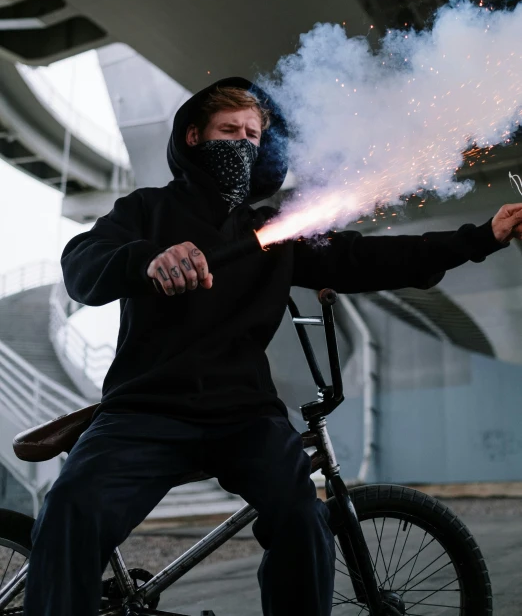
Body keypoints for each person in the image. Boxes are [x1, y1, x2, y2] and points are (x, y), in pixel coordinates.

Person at [23, 76, 522, 616]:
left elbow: (363, 258)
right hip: (145, 408)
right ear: (194, 137)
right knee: (70, 509)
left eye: (253, 134)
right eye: (229, 130)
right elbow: (81, 263)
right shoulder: (146, 210)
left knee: (304, 521)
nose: (243, 143)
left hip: (244, 414)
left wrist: (480, 237)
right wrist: (145, 259)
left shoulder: (274, 230)